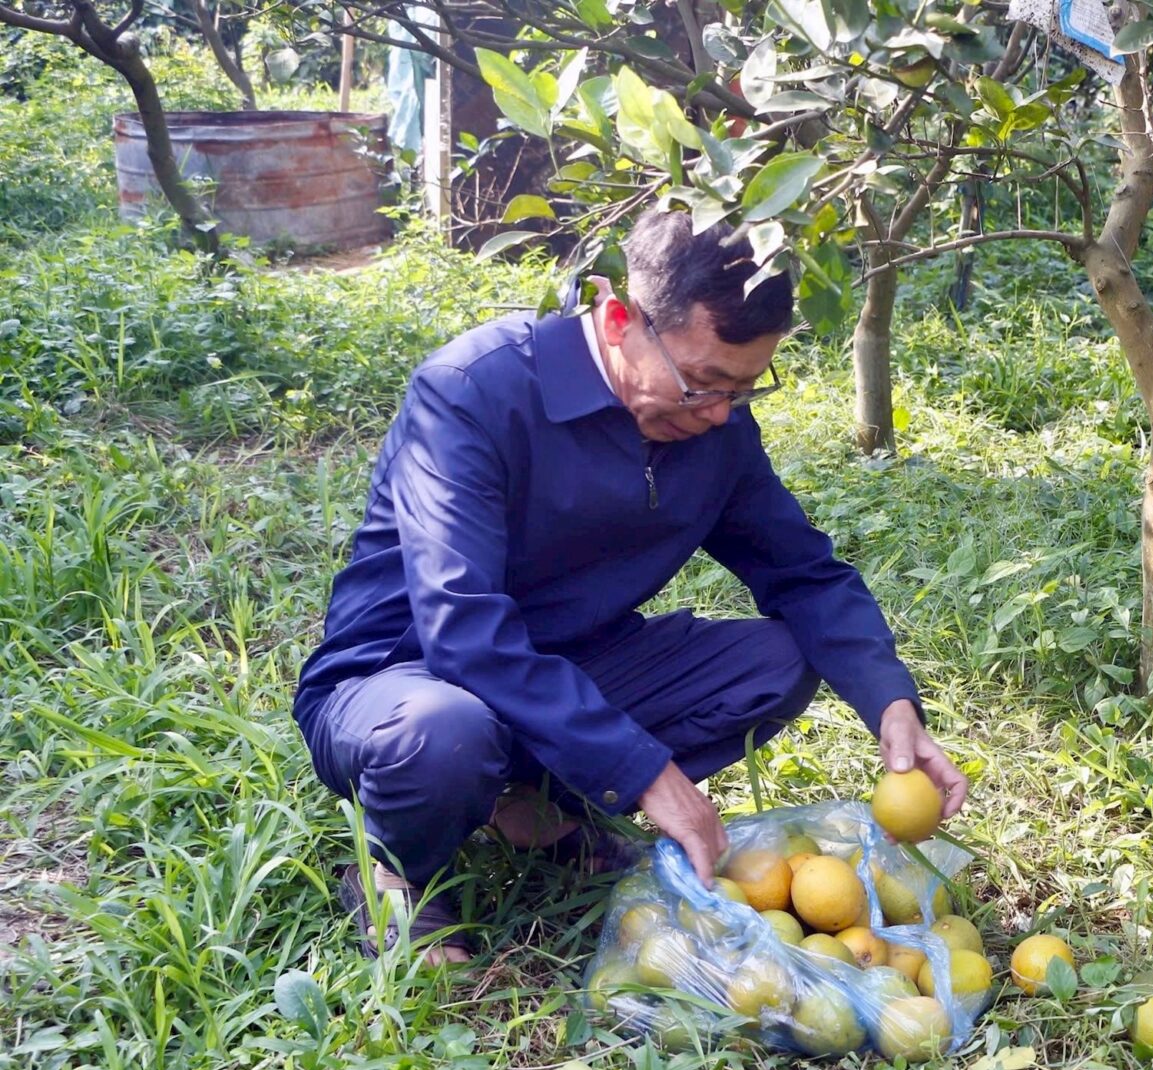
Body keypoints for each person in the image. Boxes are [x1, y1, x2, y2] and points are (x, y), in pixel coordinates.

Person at [293, 212, 967, 965]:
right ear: (619, 320)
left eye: (744, 389)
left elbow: (800, 570)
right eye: (701, 383)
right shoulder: (473, 393)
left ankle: (531, 811)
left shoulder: (713, 429)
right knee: (441, 734)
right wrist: (644, 771)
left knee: (778, 661)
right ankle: (397, 871)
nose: (716, 412)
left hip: (577, 666)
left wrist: (891, 703)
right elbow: (463, 631)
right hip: (404, 680)